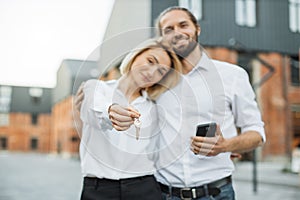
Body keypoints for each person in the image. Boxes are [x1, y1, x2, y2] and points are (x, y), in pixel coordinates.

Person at [75, 6, 266, 200]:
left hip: (216, 192)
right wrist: (109, 113)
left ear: (197, 28)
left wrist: (227, 146)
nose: (177, 32)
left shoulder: (232, 75)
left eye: (183, 25)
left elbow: (256, 132)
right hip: (165, 193)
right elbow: (100, 107)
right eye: (168, 29)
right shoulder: (155, 88)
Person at [78, 37, 182, 200]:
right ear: (136, 55)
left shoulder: (154, 108)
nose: (152, 72)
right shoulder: (96, 88)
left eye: (161, 71)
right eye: (150, 61)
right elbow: (91, 111)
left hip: (144, 188)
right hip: (98, 190)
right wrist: (111, 112)